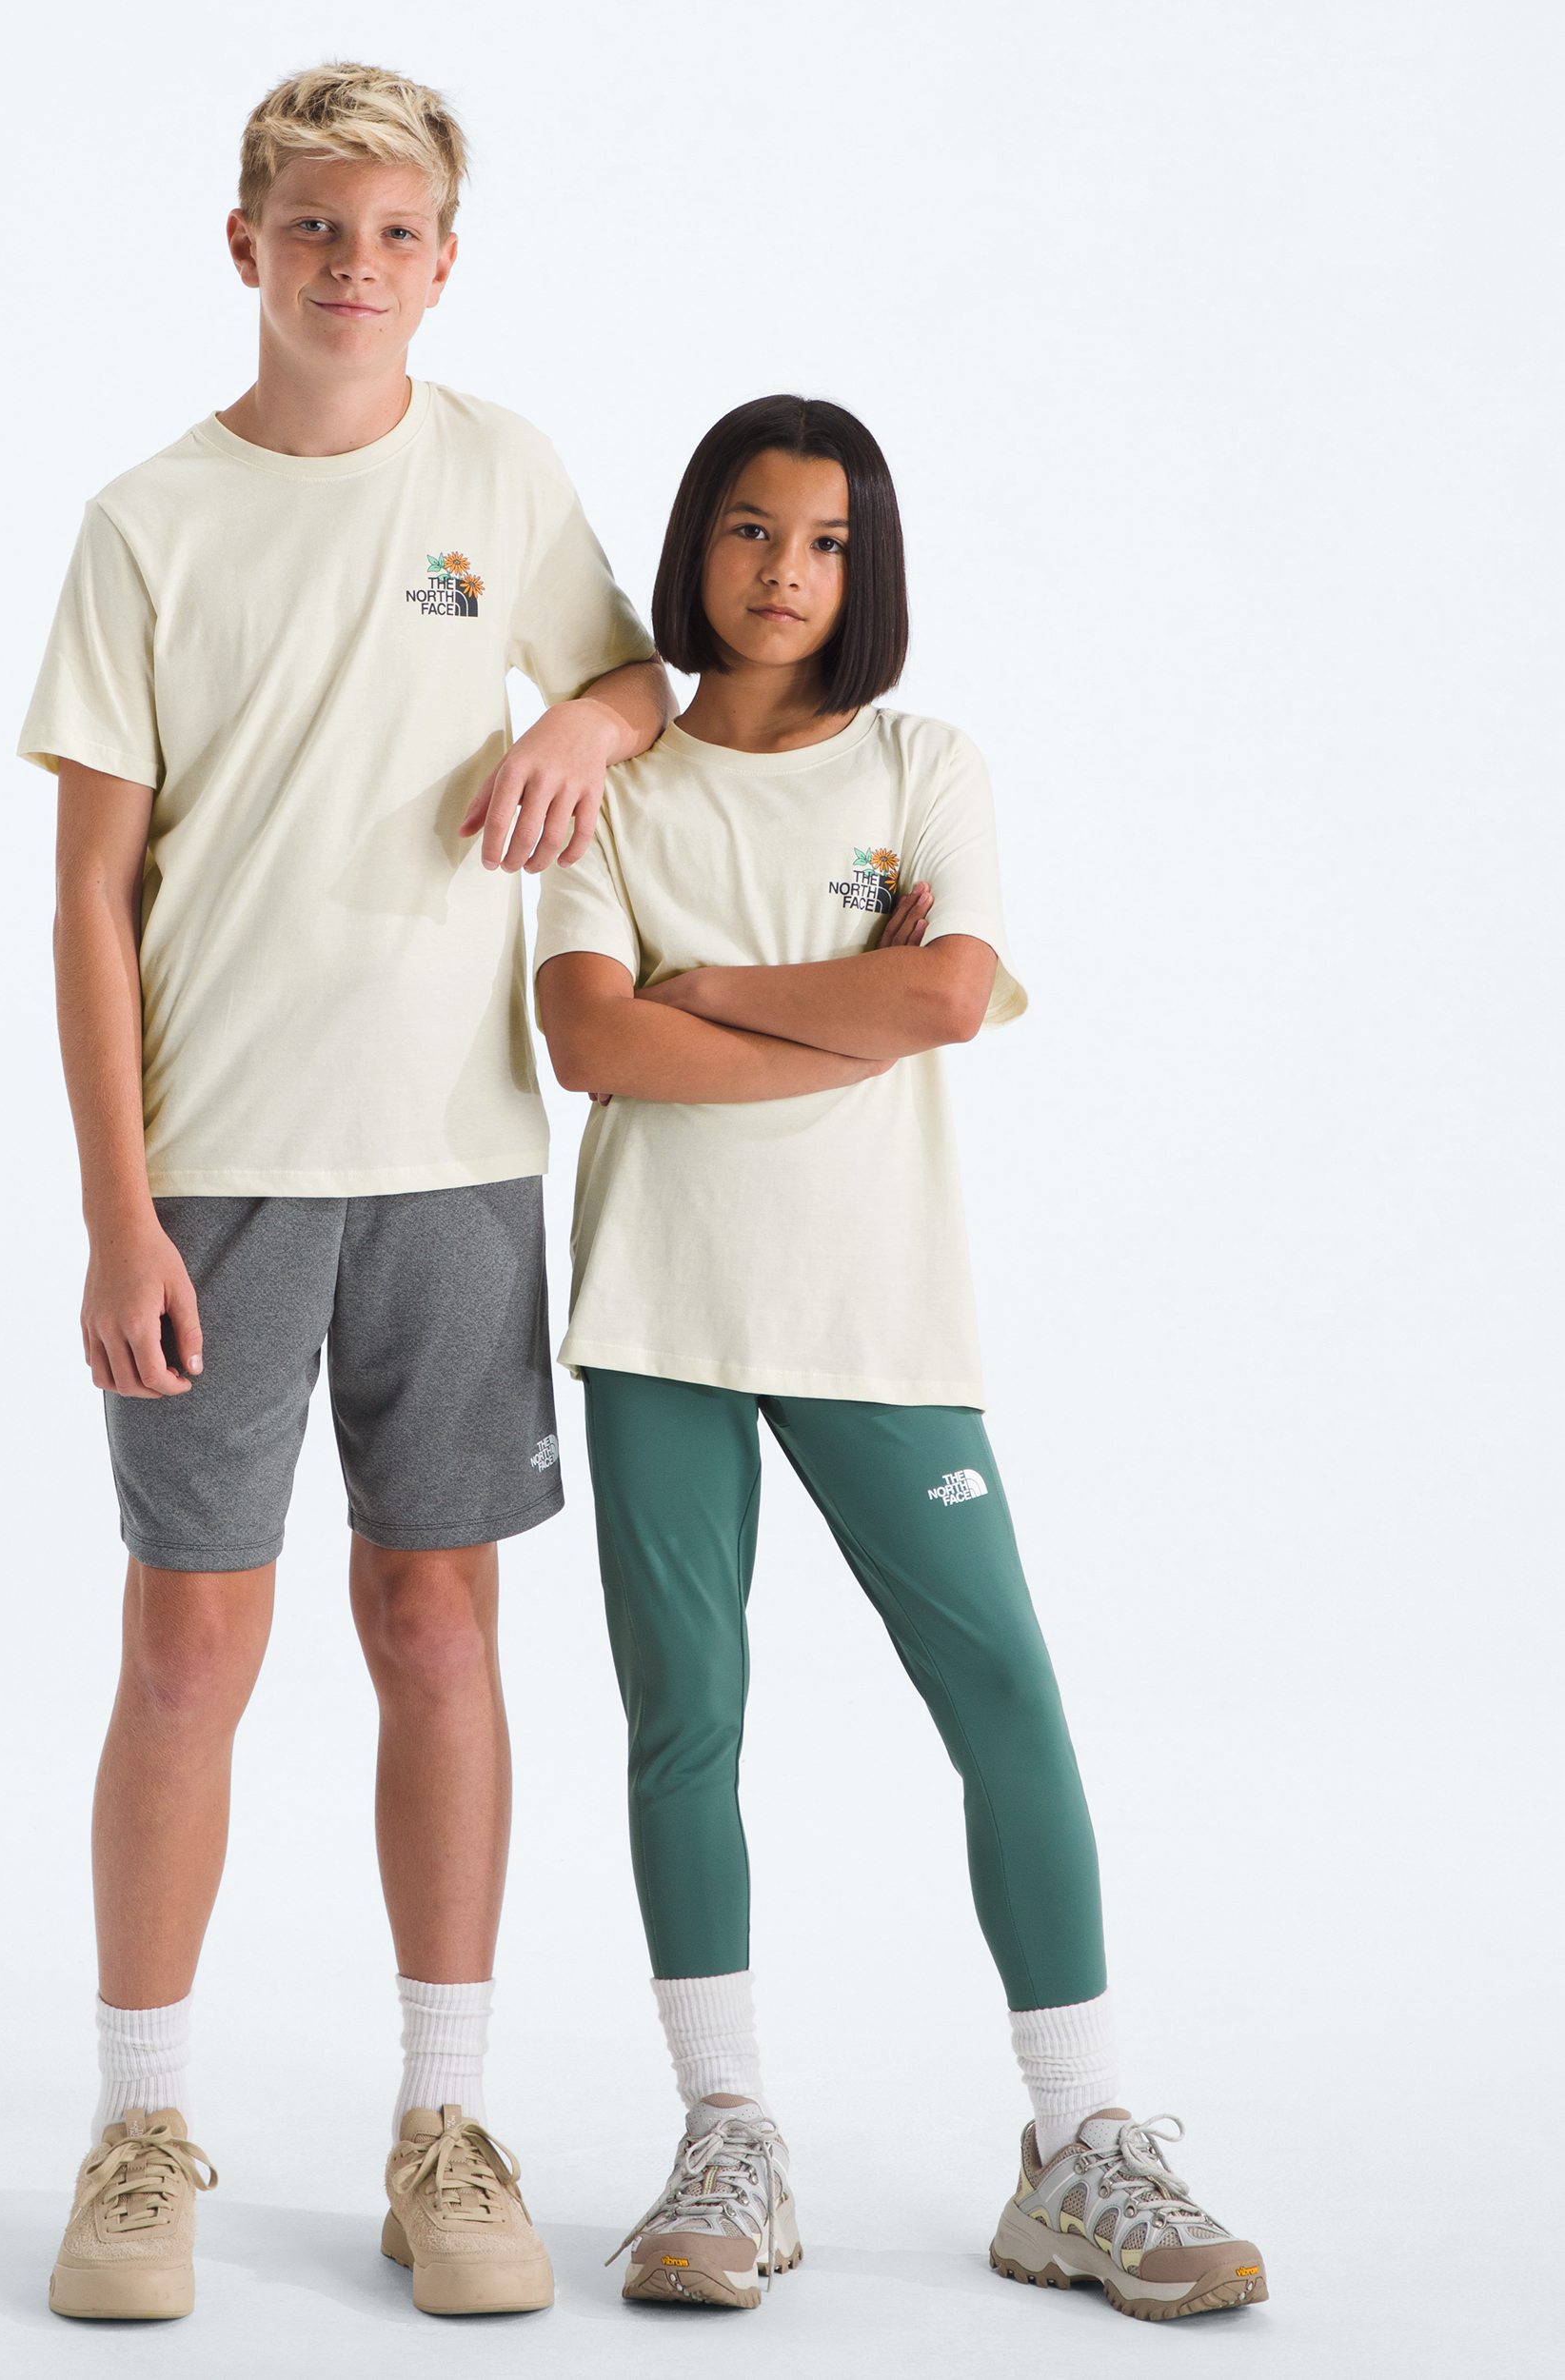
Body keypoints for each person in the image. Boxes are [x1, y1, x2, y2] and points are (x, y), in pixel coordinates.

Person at [17, 62, 670, 2323]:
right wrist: (115, 1212)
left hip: (459, 1160)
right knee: (187, 1647)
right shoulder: (148, 521)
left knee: (438, 1630)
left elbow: (632, 671)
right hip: (218, 1174)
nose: (353, 267)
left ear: (444, 262)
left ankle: (442, 2123)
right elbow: (87, 894)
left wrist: (578, 722)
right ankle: (137, 2132)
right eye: (315, 228)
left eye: (394, 234)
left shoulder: (498, 468)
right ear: (245, 245)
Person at [533, 395, 1267, 2322]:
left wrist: (713, 989)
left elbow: (945, 994)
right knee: (685, 1715)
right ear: (695, 543)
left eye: (828, 540)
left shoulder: (923, 762)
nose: (786, 570)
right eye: (751, 528)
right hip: (660, 1313)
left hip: (876, 1310)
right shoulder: (619, 788)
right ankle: (723, 2133)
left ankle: (1082, 2140)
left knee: (1002, 1689)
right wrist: (829, 1016)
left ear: (867, 567)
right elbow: (590, 1041)